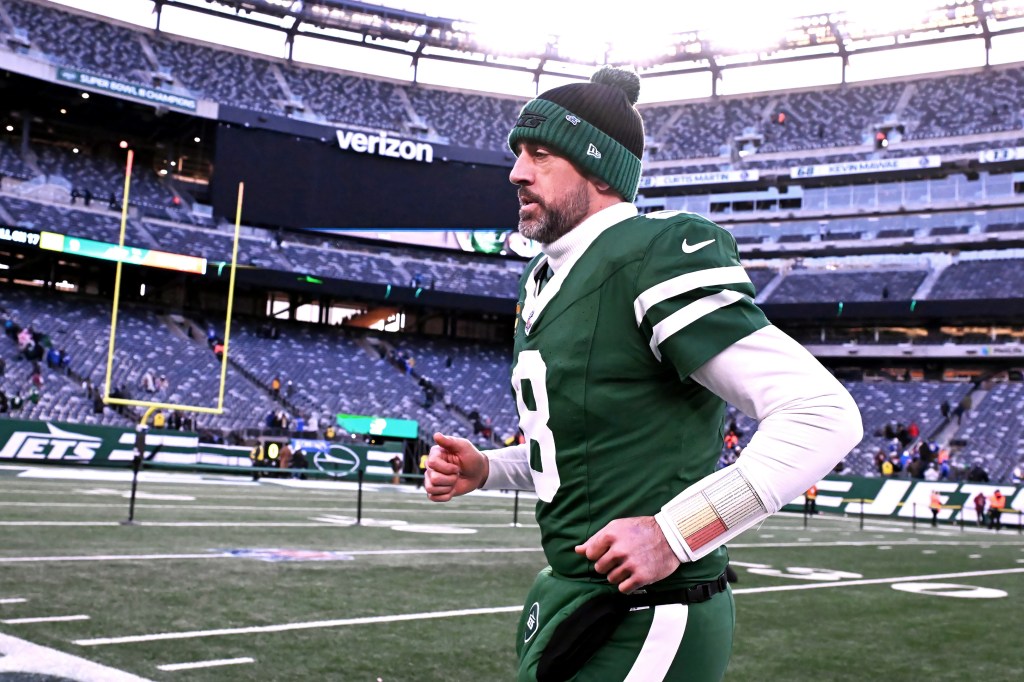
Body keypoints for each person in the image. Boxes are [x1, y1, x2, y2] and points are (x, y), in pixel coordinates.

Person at [424, 66, 862, 682]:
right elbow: (585, 447)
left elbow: (823, 414)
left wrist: (677, 532)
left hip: (651, 610)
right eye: (518, 154)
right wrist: (489, 469)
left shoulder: (652, 253)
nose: (517, 172)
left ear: (600, 170)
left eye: (541, 155)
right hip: (575, 595)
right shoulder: (544, 278)